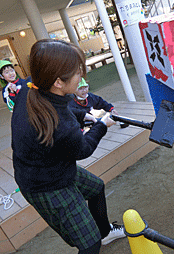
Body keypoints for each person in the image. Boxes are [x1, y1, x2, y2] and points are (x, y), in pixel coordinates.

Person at [11, 39, 126, 254]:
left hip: (50, 167)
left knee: (96, 187)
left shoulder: (32, 87)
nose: (81, 77)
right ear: (58, 82)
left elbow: (60, 107)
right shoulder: (61, 125)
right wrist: (101, 125)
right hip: (45, 185)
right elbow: (83, 149)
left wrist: (86, 115)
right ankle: (98, 238)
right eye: (77, 73)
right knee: (89, 244)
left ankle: (106, 233)